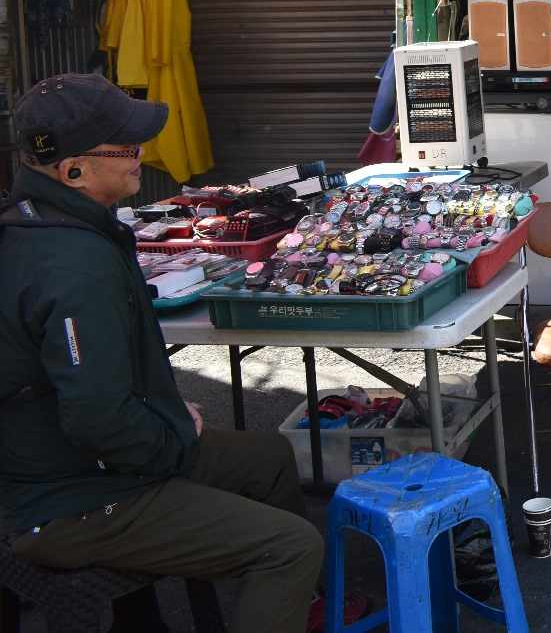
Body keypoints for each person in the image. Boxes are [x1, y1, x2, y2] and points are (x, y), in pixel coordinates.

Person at [0, 74, 329, 633]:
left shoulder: (60, 228)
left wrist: (168, 412)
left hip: (77, 459)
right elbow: (98, 419)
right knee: (291, 547)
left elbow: (99, 384)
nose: (141, 155)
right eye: (125, 147)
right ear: (72, 169)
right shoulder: (74, 263)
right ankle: (283, 583)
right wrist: (172, 432)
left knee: (269, 458)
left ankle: (298, 609)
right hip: (68, 497)